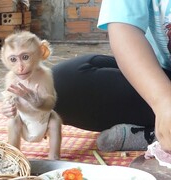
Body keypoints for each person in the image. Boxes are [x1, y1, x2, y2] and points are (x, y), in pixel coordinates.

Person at [52, 0, 171, 152]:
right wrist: (162, 101)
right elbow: (123, 28)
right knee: (60, 85)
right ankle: (163, 126)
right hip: (160, 79)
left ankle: (151, 135)